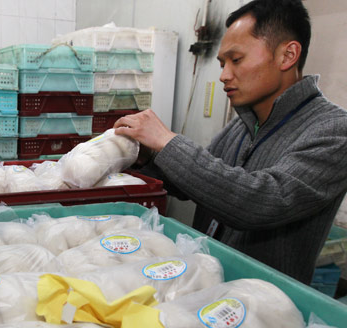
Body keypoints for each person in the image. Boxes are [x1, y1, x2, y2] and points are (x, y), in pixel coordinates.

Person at [114, 0, 347, 284]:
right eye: (223, 64)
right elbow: (196, 183)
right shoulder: (243, 123)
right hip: (206, 285)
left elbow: (261, 202)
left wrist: (168, 141)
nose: (224, 75)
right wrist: (146, 157)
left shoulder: (333, 130)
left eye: (236, 60)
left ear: (288, 55)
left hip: (265, 305)